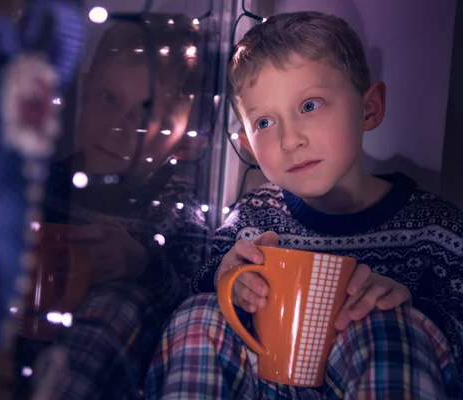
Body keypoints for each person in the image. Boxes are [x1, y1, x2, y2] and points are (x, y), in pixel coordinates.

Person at [145, 11, 463, 399]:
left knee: (384, 326)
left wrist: (411, 312)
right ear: (247, 147)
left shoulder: (437, 230)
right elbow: (200, 287)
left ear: (369, 109)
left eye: (310, 105)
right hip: (262, 383)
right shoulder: (251, 217)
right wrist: (228, 278)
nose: (289, 140)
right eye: (264, 123)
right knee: (199, 313)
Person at [14, 13, 211, 399]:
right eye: (108, 99)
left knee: (121, 303)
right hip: (24, 338)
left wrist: (141, 264)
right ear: (84, 91)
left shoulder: (177, 210)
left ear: (185, 135)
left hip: (108, 362)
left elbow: (191, 305)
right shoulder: (42, 185)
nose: (119, 128)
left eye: (147, 116)